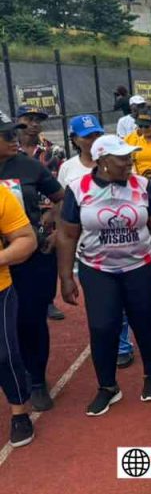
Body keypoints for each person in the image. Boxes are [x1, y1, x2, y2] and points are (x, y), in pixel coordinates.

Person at [57, 135, 151, 415]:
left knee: (144, 321)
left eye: (130, 156)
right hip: (97, 269)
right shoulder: (78, 188)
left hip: (140, 266)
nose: (129, 162)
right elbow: (67, 234)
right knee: (102, 326)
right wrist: (66, 277)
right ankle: (107, 387)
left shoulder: (142, 185)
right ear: (102, 160)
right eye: (122, 157)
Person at [0, 112, 65, 412]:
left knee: (31, 319)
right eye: (6, 134)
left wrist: (54, 226)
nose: (14, 138)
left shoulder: (27, 166)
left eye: (15, 133)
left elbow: (61, 198)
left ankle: (36, 379)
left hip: (29, 258)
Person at [0, 117, 41, 445]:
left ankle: (19, 411)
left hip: (0, 287)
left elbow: (25, 238)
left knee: (5, 353)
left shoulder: (2, 194)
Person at [58, 115, 105, 187]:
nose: (95, 140)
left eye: (98, 134)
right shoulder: (67, 167)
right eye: (88, 136)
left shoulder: (113, 161)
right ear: (75, 140)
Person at [16, 106, 60, 175]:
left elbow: (62, 180)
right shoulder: (8, 149)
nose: (35, 124)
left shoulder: (54, 151)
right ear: (17, 121)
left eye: (38, 120)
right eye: (29, 119)